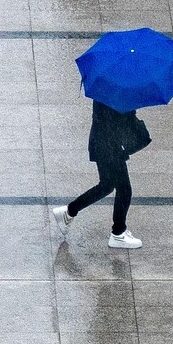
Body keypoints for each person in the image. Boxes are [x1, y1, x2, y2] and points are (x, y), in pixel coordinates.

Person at [52, 100, 150, 249]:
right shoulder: (116, 94)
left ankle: (69, 211)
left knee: (106, 185)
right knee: (124, 190)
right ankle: (118, 233)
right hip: (109, 146)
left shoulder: (106, 89)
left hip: (102, 143)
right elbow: (122, 119)